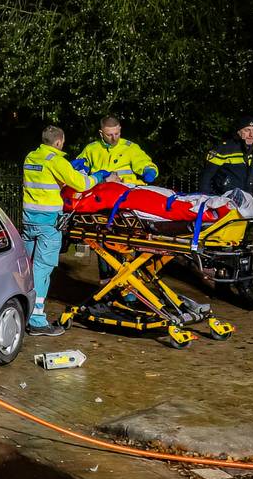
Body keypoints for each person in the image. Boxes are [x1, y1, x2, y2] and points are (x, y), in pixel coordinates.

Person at [22, 125, 117, 336]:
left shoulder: (31, 157)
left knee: (26, 268)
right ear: (58, 142)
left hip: (29, 221)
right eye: (62, 143)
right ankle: (36, 321)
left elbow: (50, 180)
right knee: (42, 270)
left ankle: (21, 311)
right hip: (48, 223)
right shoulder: (55, 160)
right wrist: (101, 176)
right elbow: (81, 183)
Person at [74, 115, 159, 284]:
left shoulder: (130, 148)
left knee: (126, 249)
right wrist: (79, 166)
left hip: (125, 207)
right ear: (101, 133)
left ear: (120, 130)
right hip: (101, 206)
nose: (114, 138)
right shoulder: (92, 149)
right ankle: (107, 290)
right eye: (109, 134)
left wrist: (150, 170)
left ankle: (129, 293)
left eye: (116, 133)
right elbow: (80, 167)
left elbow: (145, 162)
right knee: (104, 249)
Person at [200, 115, 253, 308]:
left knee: (244, 248)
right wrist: (208, 202)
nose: (251, 134)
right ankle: (223, 287)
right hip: (227, 207)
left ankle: (245, 288)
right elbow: (206, 178)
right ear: (239, 132)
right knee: (225, 248)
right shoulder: (224, 149)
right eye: (247, 130)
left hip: (248, 208)